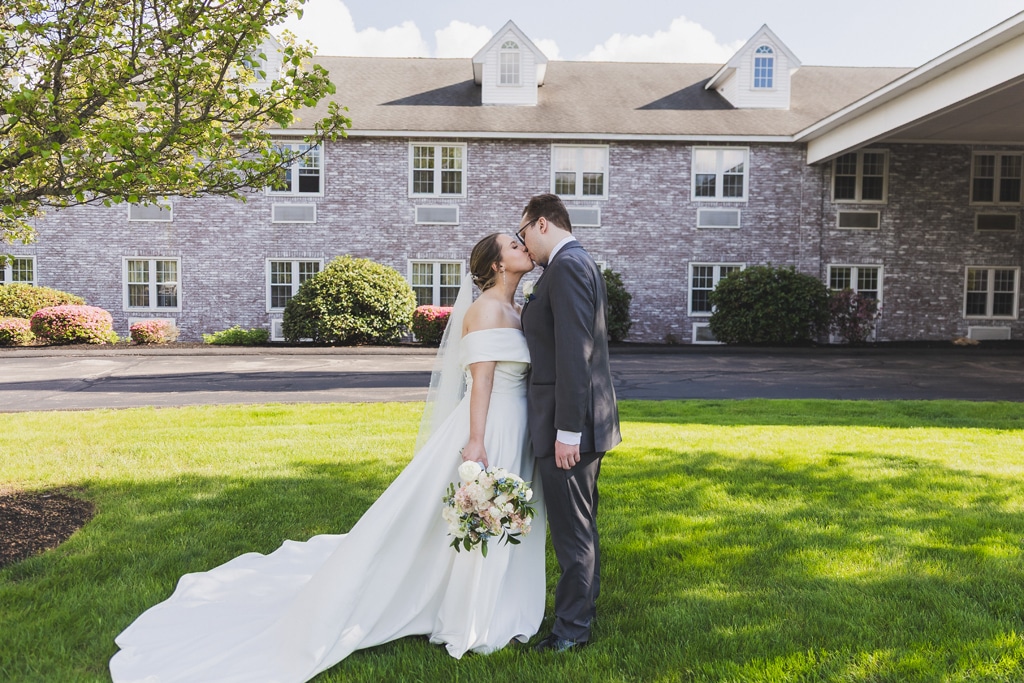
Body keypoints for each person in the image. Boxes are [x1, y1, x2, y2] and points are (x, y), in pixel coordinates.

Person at [109, 233, 544, 682]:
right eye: (513, 245)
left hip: (515, 423)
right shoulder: (488, 309)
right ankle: (473, 614)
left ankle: (492, 602)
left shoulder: (517, 309)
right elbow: (483, 382)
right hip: (490, 425)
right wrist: (477, 441)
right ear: (495, 264)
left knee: (488, 519)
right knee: (477, 515)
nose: (522, 246)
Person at [516, 193, 621, 654]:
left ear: (541, 224)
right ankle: (582, 611)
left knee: (572, 531)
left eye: (523, 234)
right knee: (581, 525)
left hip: (571, 427)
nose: (524, 245)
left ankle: (571, 631)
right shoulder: (572, 264)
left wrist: (567, 433)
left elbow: (576, 354)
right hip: (578, 421)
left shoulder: (567, 267)